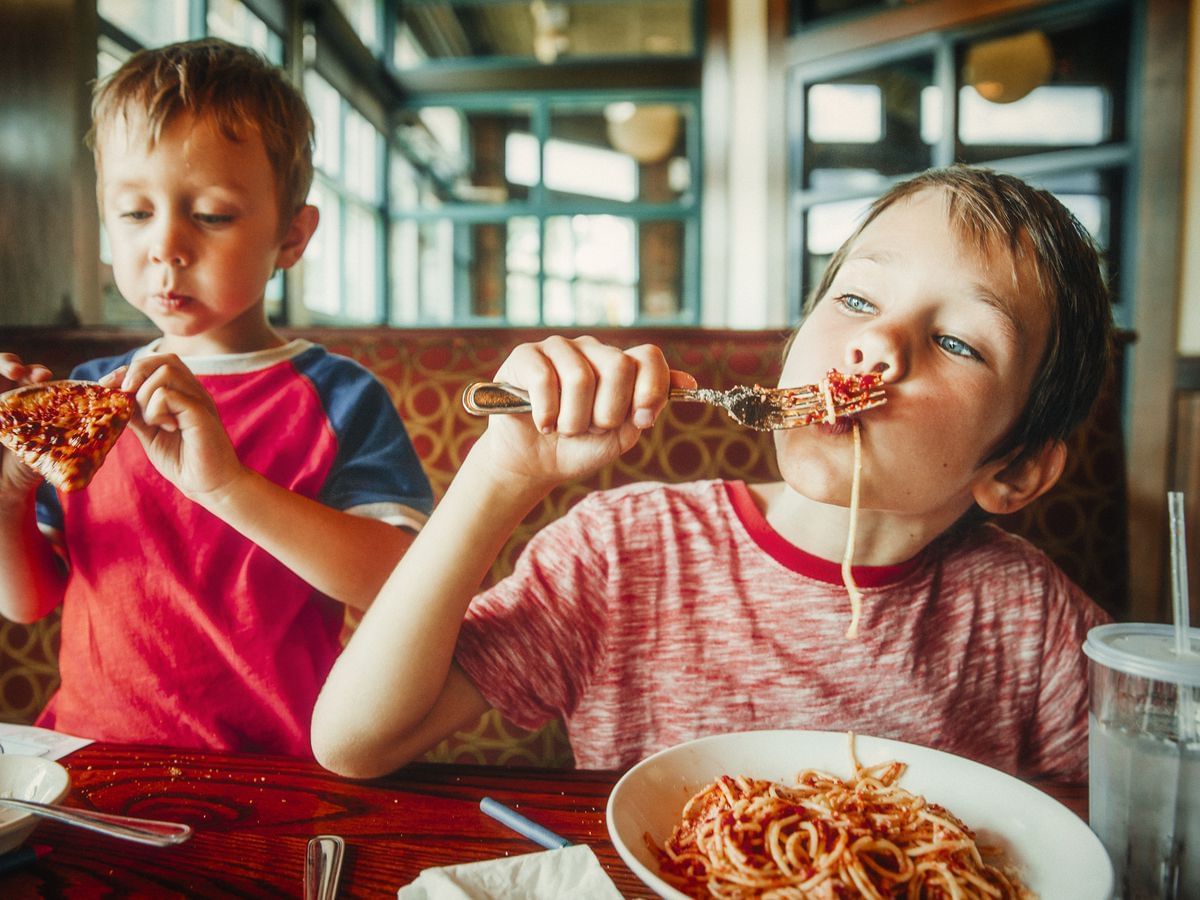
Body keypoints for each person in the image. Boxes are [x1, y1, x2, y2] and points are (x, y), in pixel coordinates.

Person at [310, 165, 1113, 780]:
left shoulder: (1029, 618)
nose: (876, 347)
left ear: (1015, 470)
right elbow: (356, 740)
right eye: (859, 301)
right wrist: (500, 473)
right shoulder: (625, 550)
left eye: (959, 342)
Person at [0, 38, 432, 756]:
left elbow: (400, 587)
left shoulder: (339, 397)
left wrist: (229, 486)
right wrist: (9, 484)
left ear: (291, 235)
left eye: (212, 214)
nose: (166, 245)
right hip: (85, 756)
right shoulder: (85, 401)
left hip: (277, 767)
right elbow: (27, 601)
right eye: (135, 213)